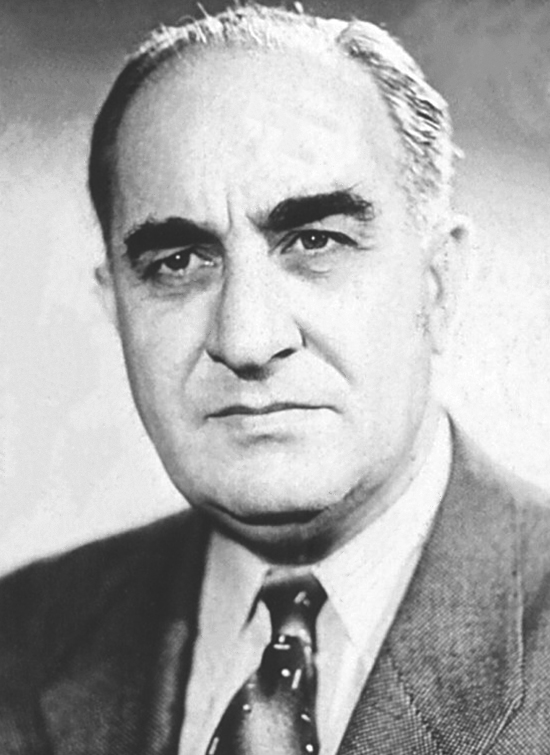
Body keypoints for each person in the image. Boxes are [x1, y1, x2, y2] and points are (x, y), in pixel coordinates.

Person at [1, 3, 550, 753]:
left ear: (438, 284)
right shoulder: (19, 638)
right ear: (117, 308)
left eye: (315, 241)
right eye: (177, 262)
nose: (246, 339)